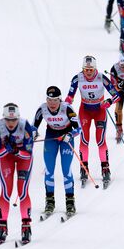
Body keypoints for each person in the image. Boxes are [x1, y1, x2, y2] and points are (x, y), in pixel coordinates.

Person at [65, 55, 119, 186]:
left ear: (95, 68)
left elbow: (117, 95)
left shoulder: (101, 78)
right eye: (86, 69)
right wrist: (65, 106)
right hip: (85, 111)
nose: (88, 72)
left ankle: (105, 168)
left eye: (91, 70)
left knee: (100, 140)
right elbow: (69, 97)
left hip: (100, 110)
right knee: (84, 139)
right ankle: (84, 167)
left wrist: (109, 101)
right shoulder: (77, 78)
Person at [0, 103, 37, 245]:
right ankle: (2, 226)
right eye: (8, 120)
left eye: (14, 120)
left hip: (23, 158)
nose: (11, 123)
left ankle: (26, 227)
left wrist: (16, 150)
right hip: (6, 159)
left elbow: (28, 154)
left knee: (22, 191)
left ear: (18, 118)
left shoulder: (25, 126)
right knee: (6, 192)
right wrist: (7, 149)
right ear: (4, 118)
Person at [32, 86, 81, 217]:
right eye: (49, 99)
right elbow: (33, 126)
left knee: (66, 170)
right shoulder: (42, 108)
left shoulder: (67, 108)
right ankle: (49, 202)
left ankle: (70, 202)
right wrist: (33, 133)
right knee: (49, 170)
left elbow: (78, 128)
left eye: (55, 100)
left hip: (66, 137)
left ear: (60, 100)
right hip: (51, 136)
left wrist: (70, 135)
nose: (52, 103)